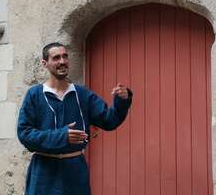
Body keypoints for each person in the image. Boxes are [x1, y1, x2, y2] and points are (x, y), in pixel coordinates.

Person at [17, 42, 133, 195]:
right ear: (44, 63)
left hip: (75, 173)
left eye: (65, 57)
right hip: (44, 174)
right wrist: (61, 136)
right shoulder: (35, 95)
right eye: (56, 57)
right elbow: (24, 134)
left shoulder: (83, 94)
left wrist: (122, 101)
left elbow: (109, 120)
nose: (62, 61)